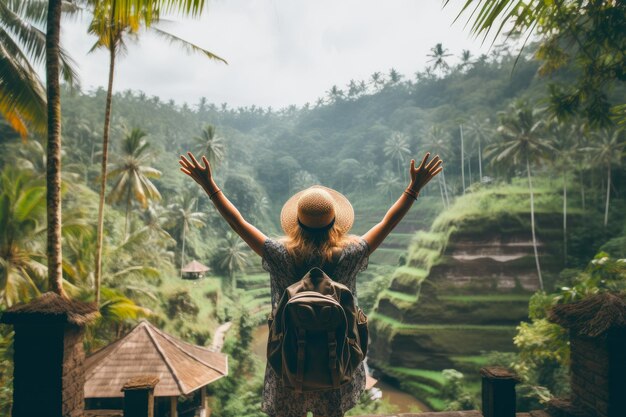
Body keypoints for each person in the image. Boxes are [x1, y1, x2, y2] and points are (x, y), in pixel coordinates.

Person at [179, 151, 443, 417]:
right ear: (335, 223)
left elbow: (238, 222)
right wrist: (414, 187)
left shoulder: (279, 255)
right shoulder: (349, 256)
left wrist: (209, 185)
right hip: (335, 357)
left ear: (297, 223)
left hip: (289, 356)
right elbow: (387, 222)